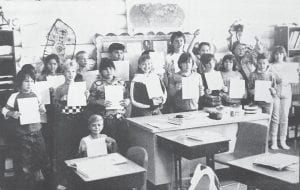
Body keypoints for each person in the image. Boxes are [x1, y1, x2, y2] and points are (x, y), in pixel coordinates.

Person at [1, 69, 52, 190]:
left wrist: (42, 110)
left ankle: (41, 184)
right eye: (26, 81)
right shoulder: (14, 96)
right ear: (19, 83)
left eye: (31, 81)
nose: (29, 84)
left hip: (37, 133)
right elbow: (3, 110)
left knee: (43, 159)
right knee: (24, 165)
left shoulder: (36, 94)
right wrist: (12, 114)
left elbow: (42, 108)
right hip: (23, 136)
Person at [53, 61, 89, 190]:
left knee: (79, 148)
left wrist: (87, 97)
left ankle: (80, 179)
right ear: (63, 73)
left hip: (79, 121)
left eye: (73, 71)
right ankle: (65, 180)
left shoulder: (81, 87)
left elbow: (85, 107)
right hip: (66, 121)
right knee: (66, 150)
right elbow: (55, 109)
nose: (70, 74)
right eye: (68, 71)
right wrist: (61, 101)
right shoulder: (59, 89)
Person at [88, 58, 130, 153]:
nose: (108, 71)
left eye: (111, 68)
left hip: (120, 118)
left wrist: (127, 101)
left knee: (123, 143)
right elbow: (90, 100)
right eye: (105, 69)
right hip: (105, 119)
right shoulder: (97, 84)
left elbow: (127, 97)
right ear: (101, 71)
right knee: (108, 145)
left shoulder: (121, 82)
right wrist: (99, 102)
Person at [269, 46, 295, 149]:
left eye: (280, 53)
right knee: (275, 118)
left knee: (284, 116)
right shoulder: (270, 66)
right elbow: (269, 79)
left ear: (283, 54)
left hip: (286, 93)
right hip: (275, 93)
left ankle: (283, 141)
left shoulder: (289, 66)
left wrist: (285, 80)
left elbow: (293, 80)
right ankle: (274, 141)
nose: (278, 56)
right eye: (276, 54)